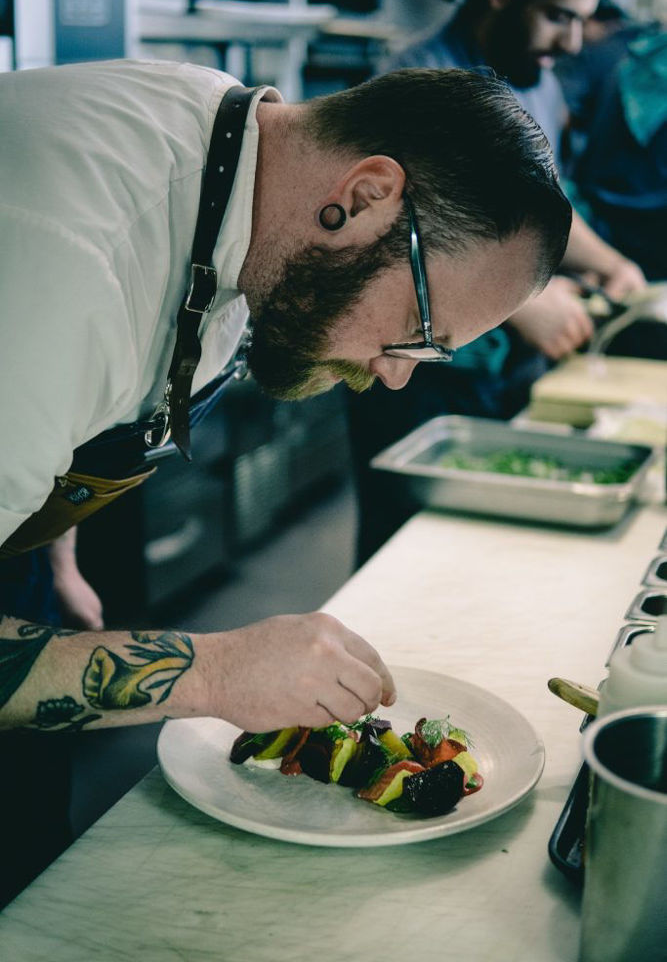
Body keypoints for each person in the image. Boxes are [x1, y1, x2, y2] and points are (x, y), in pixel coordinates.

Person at [0, 58, 569, 902]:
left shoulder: (244, 164)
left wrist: (50, 554)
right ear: (370, 191)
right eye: (416, 330)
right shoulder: (63, 264)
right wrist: (213, 674)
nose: (395, 376)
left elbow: (68, 406)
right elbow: (56, 348)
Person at [345, 0, 649, 563]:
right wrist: (524, 300)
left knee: (486, 549)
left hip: (496, 369)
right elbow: (400, 235)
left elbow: (543, 203)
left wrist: (609, 264)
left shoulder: (535, 78)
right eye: (558, 16)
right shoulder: (417, 82)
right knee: (405, 553)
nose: (571, 43)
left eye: (580, 22)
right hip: (417, 369)